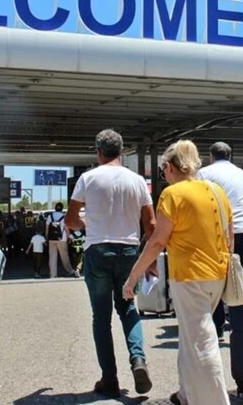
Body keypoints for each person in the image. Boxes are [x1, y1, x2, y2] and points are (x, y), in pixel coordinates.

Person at [123, 139, 232, 405]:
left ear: (170, 167)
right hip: (217, 273)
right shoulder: (216, 191)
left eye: (163, 169)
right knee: (190, 337)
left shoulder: (172, 195)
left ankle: (216, 400)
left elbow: (158, 241)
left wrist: (133, 276)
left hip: (189, 275)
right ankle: (186, 394)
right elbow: (230, 237)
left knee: (202, 343)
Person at [65, 129, 155, 398]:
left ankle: (109, 379)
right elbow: (150, 224)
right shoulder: (137, 181)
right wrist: (151, 261)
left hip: (98, 251)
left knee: (101, 318)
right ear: (123, 151)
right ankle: (138, 360)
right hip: (129, 251)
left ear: (98, 152)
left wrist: (86, 224)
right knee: (128, 308)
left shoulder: (87, 178)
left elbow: (70, 220)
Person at [196, 141, 243, 340]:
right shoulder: (242, 174)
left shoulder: (204, 174)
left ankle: (218, 328)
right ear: (230, 155)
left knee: (217, 277)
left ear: (211, 156)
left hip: (219, 230)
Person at [45, 203, 77, 278]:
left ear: (55, 208)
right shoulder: (64, 216)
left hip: (51, 238)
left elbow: (47, 227)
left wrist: (47, 237)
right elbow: (66, 228)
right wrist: (69, 237)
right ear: (62, 209)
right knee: (64, 256)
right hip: (62, 239)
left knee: (52, 257)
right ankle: (69, 270)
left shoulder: (50, 216)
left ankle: (53, 274)